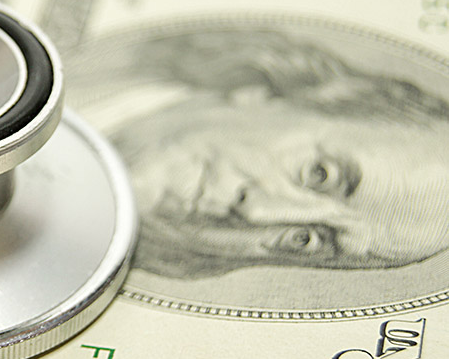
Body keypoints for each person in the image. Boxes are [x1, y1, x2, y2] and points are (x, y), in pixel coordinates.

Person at [85, 29, 449, 279]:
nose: (258, 213)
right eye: (319, 174)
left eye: (306, 241)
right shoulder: (91, 66)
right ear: (282, 93)